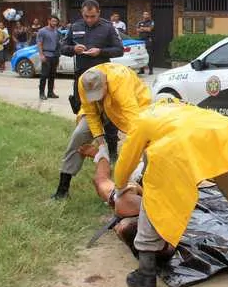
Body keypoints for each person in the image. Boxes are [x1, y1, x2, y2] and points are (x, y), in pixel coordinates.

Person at [78, 63, 228, 287]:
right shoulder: (181, 108)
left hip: (180, 149)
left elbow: (126, 162)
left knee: (155, 202)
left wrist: (120, 187)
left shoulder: (141, 120)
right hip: (223, 137)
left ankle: (146, 275)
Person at [52, 0, 124, 199]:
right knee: (82, 131)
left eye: (93, 16)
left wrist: (101, 52)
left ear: (99, 13)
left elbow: (119, 49)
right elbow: (63, 47)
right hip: (83, 86)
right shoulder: (74, 27)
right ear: (82, 14)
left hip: (106, 87)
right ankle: (63, 189)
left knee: (111, 133)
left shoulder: (108, 29)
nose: (90, 20)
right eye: (86, 16)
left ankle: (114, 167)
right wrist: (72, 50)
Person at [51, 62, 152, 201]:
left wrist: (135, 156)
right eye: (93, 94)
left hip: (136, 108)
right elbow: (91, 114)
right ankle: (62, 189)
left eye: (99, 92)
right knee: (79, 135)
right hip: (104, 107)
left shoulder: (120, 81)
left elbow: (133, 121)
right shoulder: (84, 81)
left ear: (105, 82)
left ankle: (145, 184)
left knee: (147, 143)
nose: (96, 97)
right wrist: (101, 146)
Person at [36, 16, 61, 101]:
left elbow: (58, 44)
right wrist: (41, 55)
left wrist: (58, 56)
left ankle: (50, 92)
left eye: (56, 22)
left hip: (55, 55)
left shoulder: (57, 32)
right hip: (46, 55)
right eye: (53, 21)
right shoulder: (42, 31)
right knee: (44, 75)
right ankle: (41, 93)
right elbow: (39, 44)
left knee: (52, 75)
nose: (54, 23)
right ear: (49, 21)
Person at [136, 11, 155, 75]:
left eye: (147, 14)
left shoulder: (151, 22)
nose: (146, 15)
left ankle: (151, 70)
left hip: (148, 40)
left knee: (149, 55)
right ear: (143, 15)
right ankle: (142, 70)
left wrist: (142, 28)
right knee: (141, 55)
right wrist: (145, 29)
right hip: (141, 41)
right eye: (144, 14)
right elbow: (137, 30)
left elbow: (150, 29)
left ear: (148, 15)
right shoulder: (140, 22)